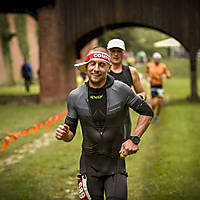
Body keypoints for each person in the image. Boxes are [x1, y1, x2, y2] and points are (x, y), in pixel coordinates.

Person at [55, 47, 153, 200]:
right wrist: (64, 134)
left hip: (115, 163)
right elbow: (70, 135)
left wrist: (134, 138)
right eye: (92, 64)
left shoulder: (121, 89)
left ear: (108, 67)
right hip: (89, 166)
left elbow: (147, 112)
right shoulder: (75, 96)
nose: (96, 69)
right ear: (86, 67)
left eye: (101, 64)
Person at [107, 39, 146, 139]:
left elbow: (142, 92)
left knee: (122, 151)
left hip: (123, 120)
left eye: (119, 51)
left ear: (124, 53)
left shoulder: (131, 71)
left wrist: (139, 97)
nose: (116, 54)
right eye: (113, 51)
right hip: (103, 119)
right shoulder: (102, 72)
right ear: (108, 52)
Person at [145, 52, 171, 123]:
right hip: (153, 86)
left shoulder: (163, 66)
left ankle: (157, 116)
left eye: (158, 59)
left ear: (160, 59)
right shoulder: (149, 65)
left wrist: (166, 76)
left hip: (160, 86)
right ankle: (152, 115)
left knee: (159, 103)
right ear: (153, 59)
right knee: (153, 103)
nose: (156, 60)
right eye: (155, 59)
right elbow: (146, 73)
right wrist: (148, 77)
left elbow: (168, 74)